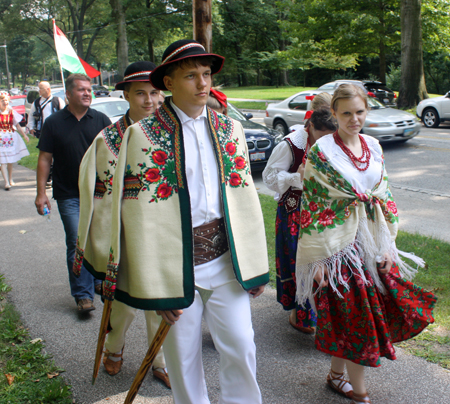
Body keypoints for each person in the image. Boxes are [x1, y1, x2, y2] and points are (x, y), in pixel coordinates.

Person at [97, 39, 269, 404]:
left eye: (206, 74)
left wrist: (254, 264)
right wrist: (155, 285)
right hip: (174, 268)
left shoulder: (230, 131)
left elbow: (245, 200)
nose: (202, 83)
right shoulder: (141, 137)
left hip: (226, 261)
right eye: (191, 75)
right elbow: (135, 216)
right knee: (182, 357)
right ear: (169, 84)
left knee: (241, 345)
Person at [295, 83, 436, 404]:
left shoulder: (373, 146)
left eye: (359, 112)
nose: (354, 119)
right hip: (337, 248)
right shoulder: (322, 152)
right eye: (346, 113)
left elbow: (384, 195)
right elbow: (314, 207)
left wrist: (388, 244)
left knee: (357, 314)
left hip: (371, 243)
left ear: (366, 111)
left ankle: (335, 376)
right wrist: (317, 261)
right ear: (334, 113)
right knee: (358, 316)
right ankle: (359, 392)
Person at [74, 61, 170, 387]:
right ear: (126, 95)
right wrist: (105, 247)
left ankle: (160, 360)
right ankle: (113, 349)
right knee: (124, 307)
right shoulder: (109, 141)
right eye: (140, 93)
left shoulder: (173, 136)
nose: (148, 100)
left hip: (161, 237)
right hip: (125, 241)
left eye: (154, 92)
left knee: (160, 304)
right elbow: (98, 197)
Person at [35, 73, 111, 313]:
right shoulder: (54, 123)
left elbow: (115, 156)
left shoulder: (101, 120)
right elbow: (45, 159)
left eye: (89, 89)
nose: (87, 93)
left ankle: (98, 280)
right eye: (81, 89)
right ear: (67, 94)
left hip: (99, 194)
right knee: (77, 242)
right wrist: (40, 193)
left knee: (99, 240)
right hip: (68, 195)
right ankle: (83, 294)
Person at [262, 108, 337, 333]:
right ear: (310, 126)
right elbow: (269, 178)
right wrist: (297, 177)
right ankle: (300, 315)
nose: (326, 141)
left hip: (322, 214)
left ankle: (322, 314)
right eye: (322, 135)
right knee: (300, 263)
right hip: (294, 213)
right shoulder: (290, 145)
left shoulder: (333, 142)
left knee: (323, 263)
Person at [0, 91, 29, 190]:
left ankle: (10, 178)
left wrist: (24, 135)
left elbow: (17, 125)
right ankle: (6, 182)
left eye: (6, 100)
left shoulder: (11, 111)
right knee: (3, 160)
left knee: (10, 161)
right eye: (3, 100)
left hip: (10, 138)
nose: (5, 102)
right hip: (1, 139)